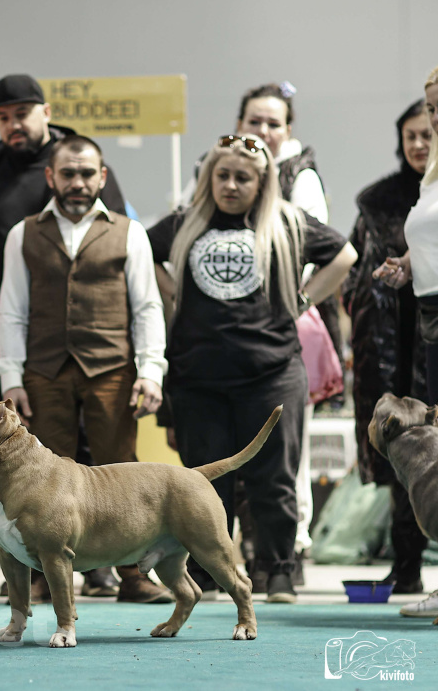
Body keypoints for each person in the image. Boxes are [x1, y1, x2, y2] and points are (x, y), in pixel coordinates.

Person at [147, 135, 356, 604]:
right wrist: (170, 292)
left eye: (243, 177)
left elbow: (345, 255)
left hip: (272, 371)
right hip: (198, 376)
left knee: (273, 479)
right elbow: (140, 251)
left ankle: (277, 571)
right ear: (209, 178)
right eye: (222, 175)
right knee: (204, 481)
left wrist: (302, 301)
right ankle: (206, 571)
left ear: (261, 183)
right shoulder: (185, 224)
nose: (231, 185)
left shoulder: (287, 223)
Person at [0, 135, 171, 604]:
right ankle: (40, 573)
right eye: (68, 173)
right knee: (35, 478)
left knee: (122, 477)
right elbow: (11, 311)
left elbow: (148, 307)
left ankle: (132, 575)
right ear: (50, 176)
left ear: (103, 177)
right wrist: (11, 377)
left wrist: (151, 369)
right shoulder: (23, 233)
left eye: (87, 173)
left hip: (113, 369)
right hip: (44, 371)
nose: (78, 182)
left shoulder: (131, 233)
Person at [0, 74, 127, 403]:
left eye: (22, 114)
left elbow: (114, 242)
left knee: (89, 451)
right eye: (3, 118)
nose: (13, 124)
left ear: (45, 112)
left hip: (80, 335)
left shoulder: (82, 168)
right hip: (0, 330)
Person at [343, 100, 431, 595]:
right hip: (388, 341)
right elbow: (358, 274)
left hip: (430, 334)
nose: (418, 144)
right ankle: (407, 564)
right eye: (409, 136)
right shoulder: (375, 201)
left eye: (426, 134)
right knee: (403, 449)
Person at [372, 65, 438, 622]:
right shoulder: (434, 173)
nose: (433, 121)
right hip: (432, 317)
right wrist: (411, 267)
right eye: (431, 108)